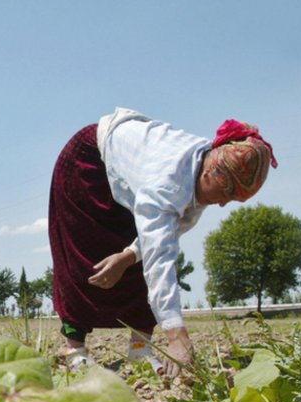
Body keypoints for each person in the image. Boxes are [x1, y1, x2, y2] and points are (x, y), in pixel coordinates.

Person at [48, 108, 277, 378]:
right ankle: (75, 351)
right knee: (84, 256)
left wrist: (129, 255)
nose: (224, 203)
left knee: (130, 262)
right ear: (209, 175)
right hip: (86, 165)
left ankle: (140, 348)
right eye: (226, 194)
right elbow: (160, 257)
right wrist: (176, 335)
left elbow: (168, 233)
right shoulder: (168, 183)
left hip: (131, 178)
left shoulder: (204, 166)